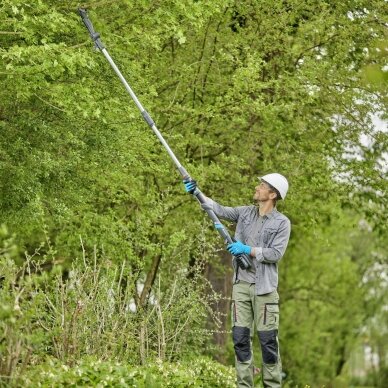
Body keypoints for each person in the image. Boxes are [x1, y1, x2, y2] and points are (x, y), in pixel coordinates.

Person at [184, 173, 291, 388]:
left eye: (262, 185)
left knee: (268, 341)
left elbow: (275, 254)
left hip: (265, 290)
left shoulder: (282, 223)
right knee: (241, 339)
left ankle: (272, 385)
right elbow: (219, 209)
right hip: (241, 285)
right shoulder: (244, 213)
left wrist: (247, 250)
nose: (257, 187)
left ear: (272, 194)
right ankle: (244, 385)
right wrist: (197, 193)